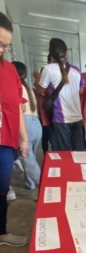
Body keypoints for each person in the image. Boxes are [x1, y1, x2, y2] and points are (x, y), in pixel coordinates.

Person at [0, 12, 28, 247]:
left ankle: (1, 232)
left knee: (2, 188)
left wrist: (24, 137)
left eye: (6, 46)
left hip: (6, 140)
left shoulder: (9, 71)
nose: (2, 49)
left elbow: (17, 105)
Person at [33, 38, 84, 151]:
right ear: (66, 53)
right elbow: (81, 91)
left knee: (65, 152)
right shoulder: (76, 69)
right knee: (79, 152)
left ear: (51, 53)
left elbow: (41, 90)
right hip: (77, 117)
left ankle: (68, 169)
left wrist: (37, 77)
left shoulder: (48, 69)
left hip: (61, 119)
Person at [12, 61, 41, 189]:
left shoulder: (14, 86)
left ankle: (44, 184)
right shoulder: (27, 87)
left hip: (26, 124)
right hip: (36, 124)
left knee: (28, 160)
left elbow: (21, 108)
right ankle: (30, 184)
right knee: (30, 156)